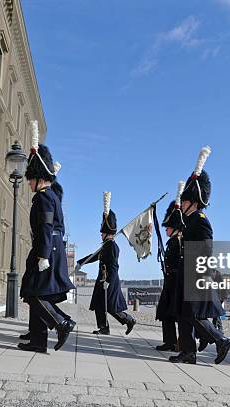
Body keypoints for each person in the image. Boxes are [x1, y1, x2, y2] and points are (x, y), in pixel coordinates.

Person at [170, 146, 230, 365]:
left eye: (185, 201)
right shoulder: (190, 221)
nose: (182, 204)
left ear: (194, 202)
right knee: (184, 314)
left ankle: (221, 340)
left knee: (193, 314)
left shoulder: (201, 220)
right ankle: (188, 352)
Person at [18, 122, 76, 352]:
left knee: (34, 292)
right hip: (51, 245)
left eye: (31, 179)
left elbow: (45, 226)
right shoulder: (49, 195)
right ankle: (38, 340)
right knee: (38, 292)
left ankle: (62, 322)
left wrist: (43, 254)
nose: (29, 183)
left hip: (47, 247)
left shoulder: (43, 198)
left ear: (39, 178)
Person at [77, 192, 136, 336]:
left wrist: (108, 281)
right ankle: (104, 328)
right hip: (102, 279)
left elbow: (114, 267)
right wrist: (81, 262)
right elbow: (94, 256)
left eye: (102, 232)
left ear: (106, 233)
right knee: (99, 304)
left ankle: (129, 320)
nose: (100, 234)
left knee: (110, 306)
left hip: (109, 280)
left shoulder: (112, 246)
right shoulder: (105, 246)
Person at [155, 182, 185, 351]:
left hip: (177, 281)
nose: (166, 229)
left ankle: (179, 342)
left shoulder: (180, 242)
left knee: (177, 313)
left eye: (169, 227)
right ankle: (169, 341)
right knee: (166, 312)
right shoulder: (172, 241)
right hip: (169, 280)